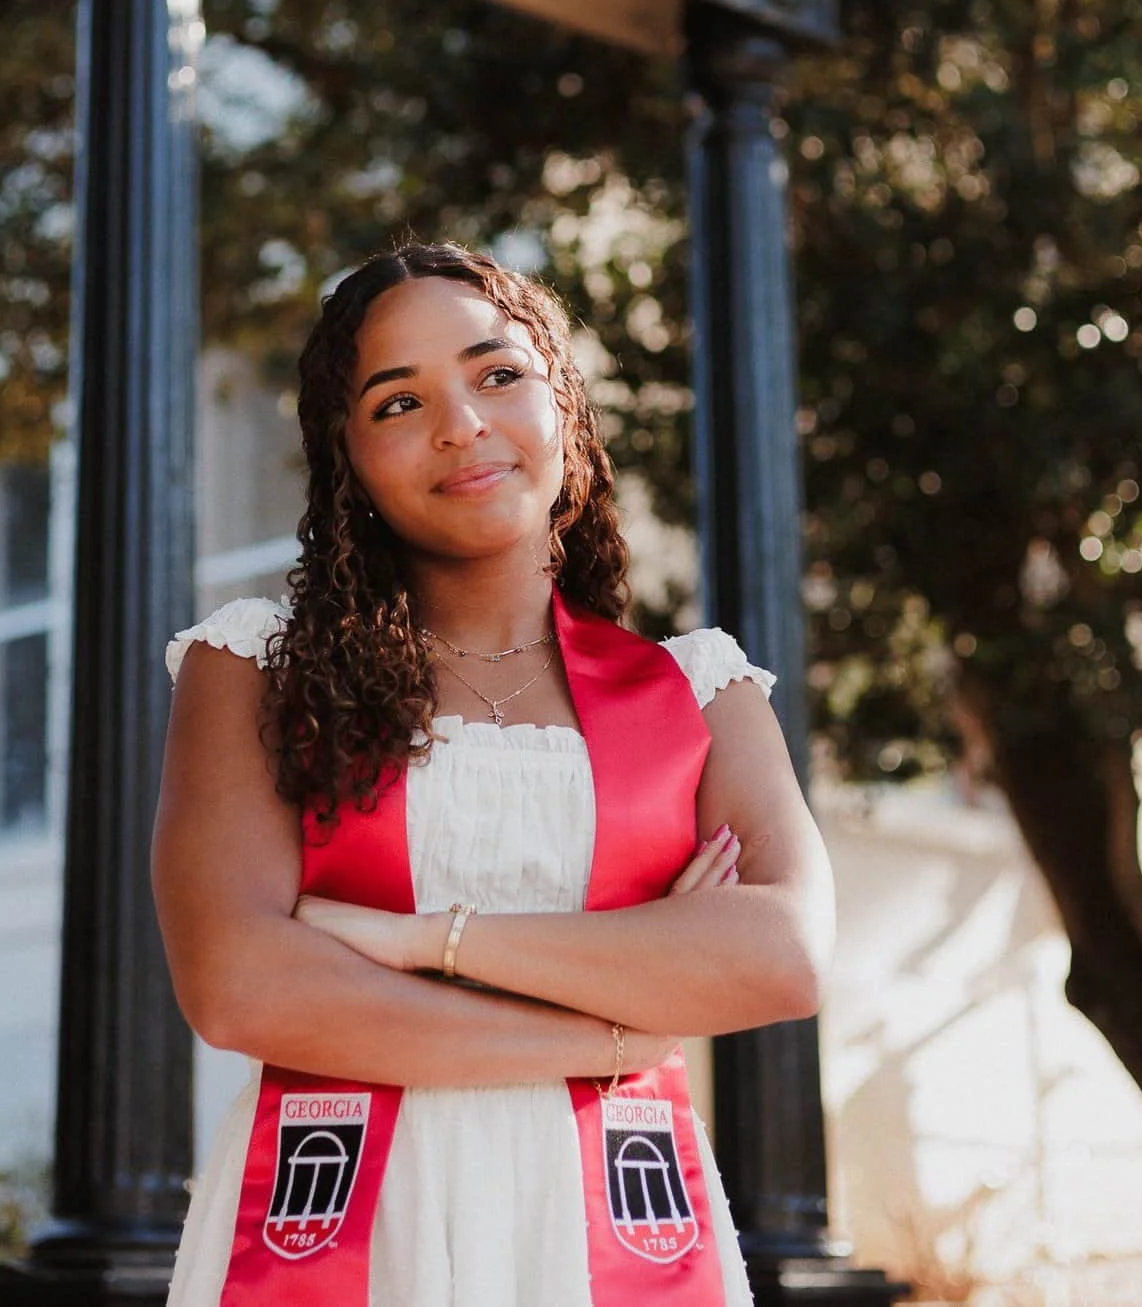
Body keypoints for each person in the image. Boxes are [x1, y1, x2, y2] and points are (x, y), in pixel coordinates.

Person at [152, 242, 834, 1306]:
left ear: (561, 396)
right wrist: (620, 1026)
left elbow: (781, 954)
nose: (461, 422)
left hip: (609, 1212)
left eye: (497, 373)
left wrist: (421, 939)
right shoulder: (257, 669)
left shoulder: (695, 691)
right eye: (395, 403)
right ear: (349, 459)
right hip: (350, 1210)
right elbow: (239, 983)